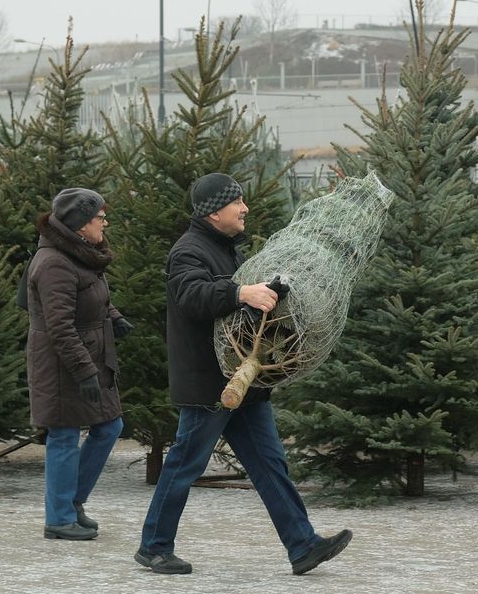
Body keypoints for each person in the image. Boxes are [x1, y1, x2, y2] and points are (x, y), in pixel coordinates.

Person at [136, 173, 351, 576]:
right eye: (237, 201)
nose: (245, 208)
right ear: (214, 212)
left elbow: (235, 313)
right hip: (209, 385)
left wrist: (268, 294)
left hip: (244, 382)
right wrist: (240, 293)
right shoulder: (188, 251)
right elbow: (192, 296)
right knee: (185, 465)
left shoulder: (227, 250)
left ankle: (302, 545)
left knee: (271, 465)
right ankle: (154, 546)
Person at [26, 188, 133, 541]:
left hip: (91, 352)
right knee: (64, 433)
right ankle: (58, 517)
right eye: (99, 217)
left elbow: (90, 295)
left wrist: (113, 315)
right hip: (62, 361)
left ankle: (72, 503)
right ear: (80, 224)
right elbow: (59, 326)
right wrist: (84, 370)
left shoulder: (81, 252)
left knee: (110, 426)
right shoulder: (54, 262)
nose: (105, 222)